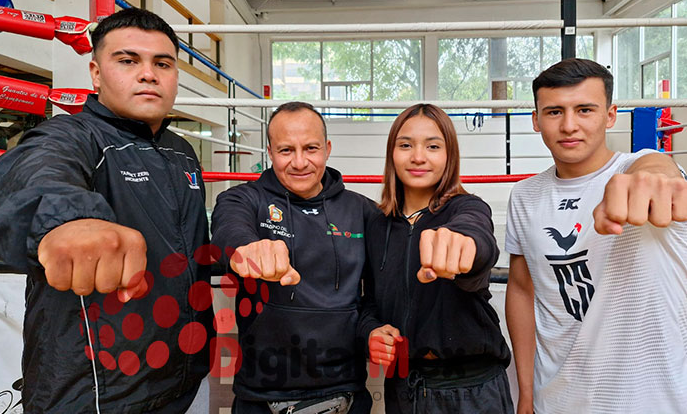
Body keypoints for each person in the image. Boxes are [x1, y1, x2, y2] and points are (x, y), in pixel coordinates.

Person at [0, 8, 214, 413]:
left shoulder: (182, 152)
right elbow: (38, 168)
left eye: (162, 63)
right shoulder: (74, 135)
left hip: (178, 376)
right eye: (128, 61)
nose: (148, 74)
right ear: (95, 73)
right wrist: (69, 219)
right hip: (92, 392)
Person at [505, 58, 687, 414]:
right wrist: (525, 393)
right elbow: (522, 288)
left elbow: (655, 170)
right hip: (556, 398)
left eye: (585, 109)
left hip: (650, 399)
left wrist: (651, 176)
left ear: (610, 115)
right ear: (536, 120)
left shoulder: (636, 170)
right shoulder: (524, 195)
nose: (569, 125)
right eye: (554, 112)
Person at [211, 102, 376, 413]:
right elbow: (227, 231)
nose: (300, 162)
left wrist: (373, 330)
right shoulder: (244, 198)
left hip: (344, 386)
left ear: (327, 149)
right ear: (271, 152)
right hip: (261, 390)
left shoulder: (362, 210)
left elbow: (378, 296)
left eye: (311, 148)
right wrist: (247, 248)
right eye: (286, 150)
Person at [357, 104, 513, 413]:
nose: (418, 157)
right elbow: (370, 302)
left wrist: (464, 246)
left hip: (472, 391)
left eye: (432, 146)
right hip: (403, 389)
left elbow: (478, 240)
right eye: (405, 145)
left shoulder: (467, 208)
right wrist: (370, 332)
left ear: (449, 155)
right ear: (391, 154)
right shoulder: (376, 224)